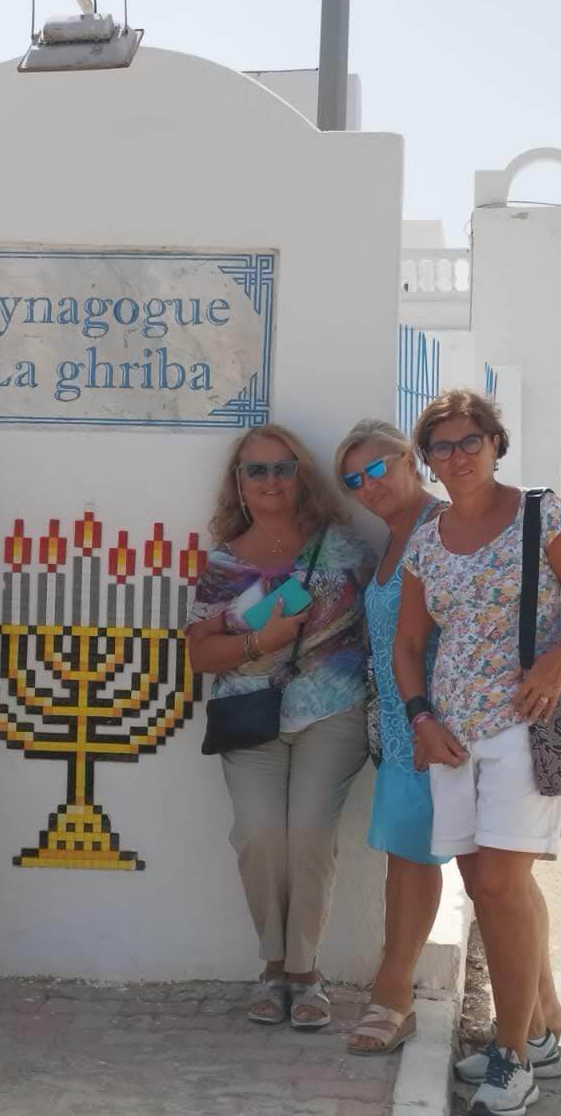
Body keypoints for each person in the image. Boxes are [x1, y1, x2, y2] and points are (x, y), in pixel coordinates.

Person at [393, 390, 561, 1116]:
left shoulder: (540, 516)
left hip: (524, 724)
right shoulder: (427, 540)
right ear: (428, 459)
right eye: (443, 446)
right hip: (452, 737)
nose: (458, 456)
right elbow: (409, 644)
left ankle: (512, 1057)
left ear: (496, 444)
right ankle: (540, 1029)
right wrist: (420, 718)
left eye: (471, 441)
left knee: (498, 886)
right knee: (491, 885)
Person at [187, 424, 374, 1031]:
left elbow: (383, 621)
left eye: (282, 467)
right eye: (256, 470)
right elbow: (198, 653)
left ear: (302, 475)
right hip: (249, 714)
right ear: (238, 483)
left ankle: (303, 971)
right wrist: (259, 643)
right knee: (260, 835)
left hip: (333, 711)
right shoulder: (223, 562)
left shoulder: (344, 547)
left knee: (311, 836)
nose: (270, 480)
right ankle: (273, 966)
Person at [332, 420, 447, 1055]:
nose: (368, 486)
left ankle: (393, 994)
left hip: (442, 724)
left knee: (487, 873)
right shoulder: (394, 539)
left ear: (410, 460)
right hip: (403, 730)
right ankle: (540, 1010)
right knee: (410, 857)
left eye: (377, 468)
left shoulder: (442, 528)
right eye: (353, 480)